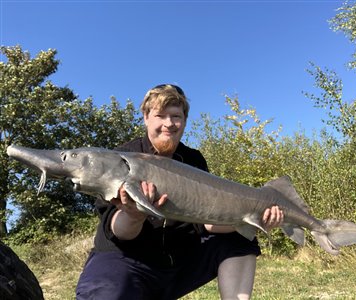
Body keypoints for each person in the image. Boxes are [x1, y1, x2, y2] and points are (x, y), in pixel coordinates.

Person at [76, 84, 284, 300]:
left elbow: (208, 222)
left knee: (240, 237)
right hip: (125, 261)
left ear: (184, 121)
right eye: (160, 115)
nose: (168, 123)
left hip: (179, 262)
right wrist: (134, 214)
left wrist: (255, 219)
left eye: (175, 116)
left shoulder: (193, 160)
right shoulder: (118, 157)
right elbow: (118, 231)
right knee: (107, 293)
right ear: (146, 117)